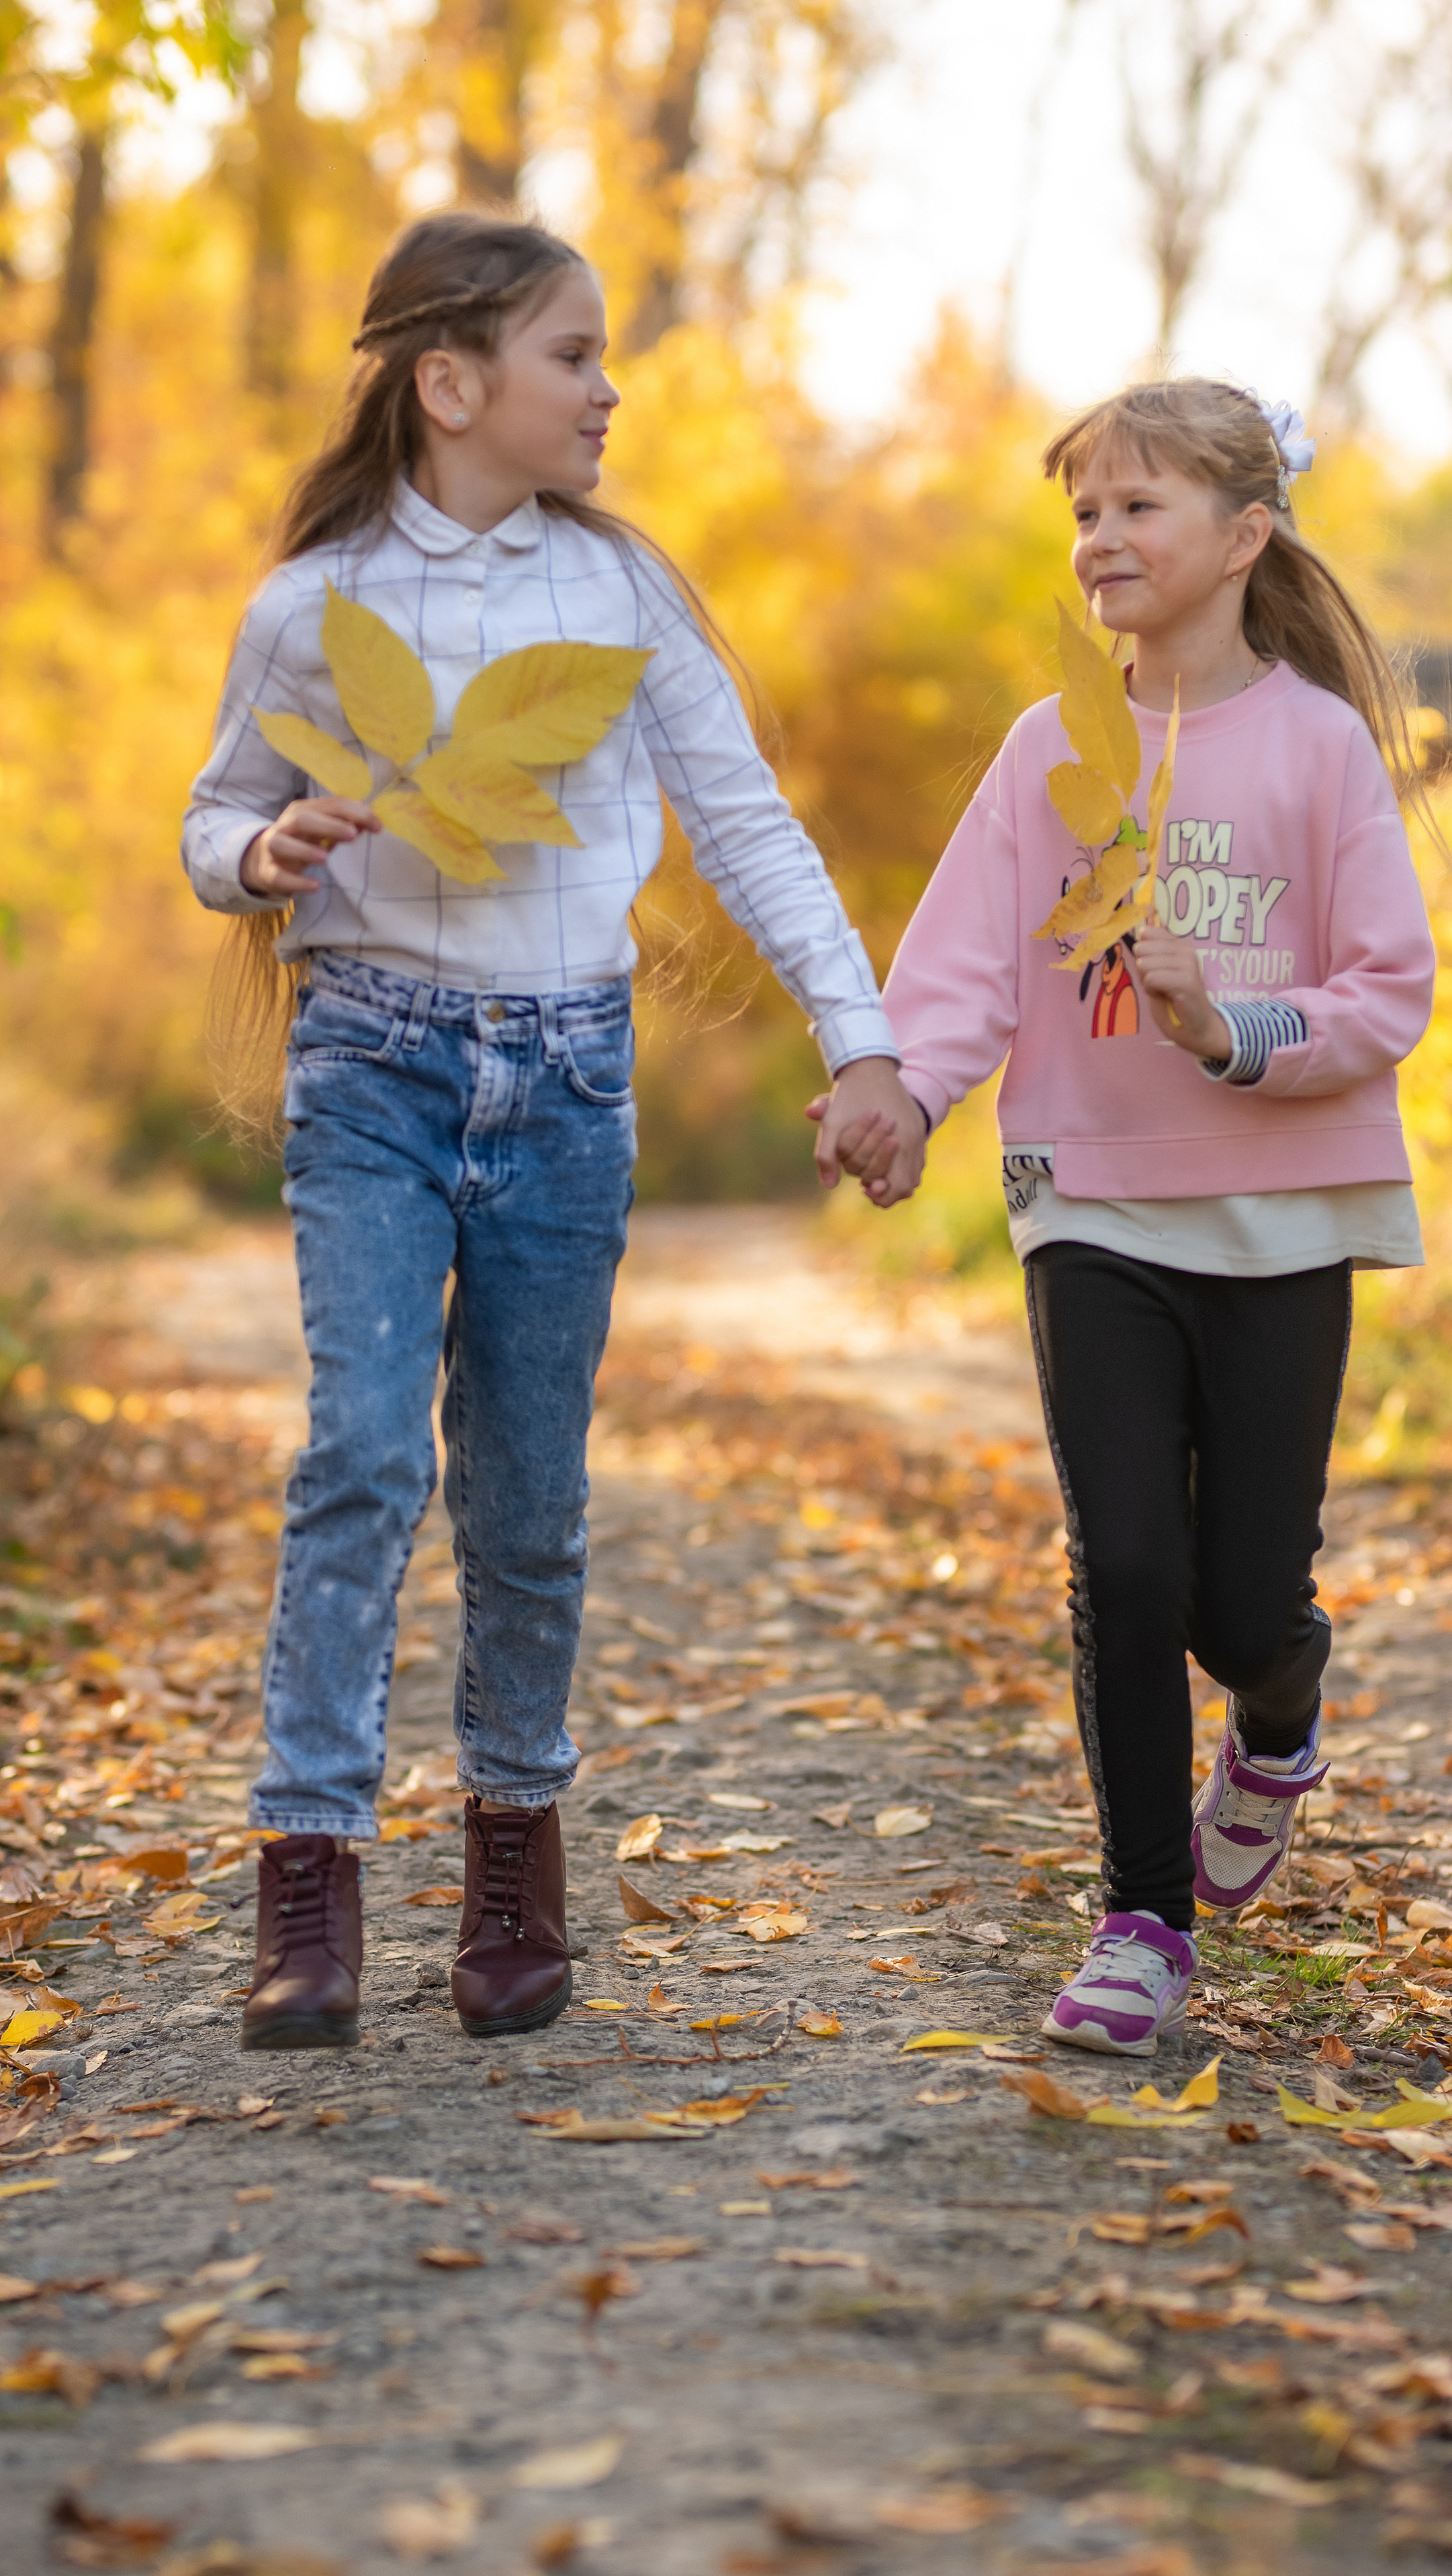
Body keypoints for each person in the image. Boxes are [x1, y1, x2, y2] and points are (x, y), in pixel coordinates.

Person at [182, 210, 923, 2052]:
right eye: (573, 355)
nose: (610, 387)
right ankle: (309, 1872)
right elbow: (215, 814)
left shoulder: (617, 598)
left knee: (528, 1497)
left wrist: (866, 1041)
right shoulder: (312, 606)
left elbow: (744, 819)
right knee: (358, 1449)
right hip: (368, 1062)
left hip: (564, 1084)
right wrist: (253, 858)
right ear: (452, 383)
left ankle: (515, 1851)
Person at [874, 380, 1437, 2055]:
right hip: (1089, 1203)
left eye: (1137, 509)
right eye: (1083, 514)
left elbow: (1388, 988)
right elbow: (967, 960)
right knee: (1121, 1561)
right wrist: (900, 1091)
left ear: (1243, 536)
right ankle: (1139, 1915)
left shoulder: (1319, 745)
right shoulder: (1051, 749)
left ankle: (1276, 1712)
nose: (1099, 540)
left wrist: (1231, 1029)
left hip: (1281, 1211)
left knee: (1238, 1601)